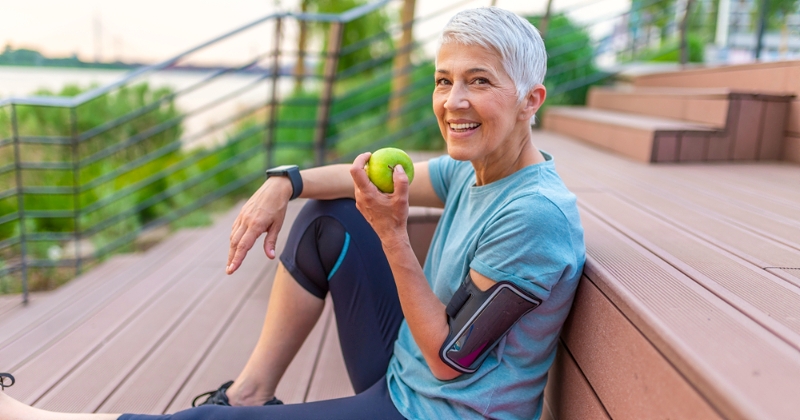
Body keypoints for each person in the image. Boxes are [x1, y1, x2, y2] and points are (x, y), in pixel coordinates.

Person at [0, 6, 584, 420]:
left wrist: (394, 236)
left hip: (435, 408)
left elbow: (449, 361)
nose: (454, 101)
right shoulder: (476, 168)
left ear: (531, 99)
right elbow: (345, 178)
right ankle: (251, 392)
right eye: (443, 81)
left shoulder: (533, 217)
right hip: (408, 376)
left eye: (478, 82)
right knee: (328, 215)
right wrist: (285, 182)